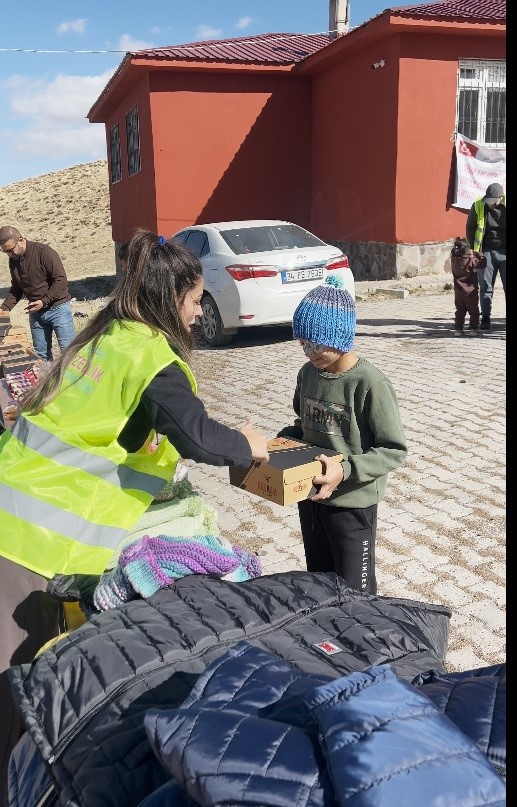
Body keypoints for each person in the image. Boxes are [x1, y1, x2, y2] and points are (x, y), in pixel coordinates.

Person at [0, 229, 269, 803]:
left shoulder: (110, 335)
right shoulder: (150, 355)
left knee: (32, 674)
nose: (199, 314)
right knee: (13, 687)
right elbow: (197, 435)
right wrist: (251, 444)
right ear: (172, 299)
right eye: (196, 300)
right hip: (24, 536)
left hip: (19, 513)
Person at [278, 274, 407, 596]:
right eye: (302, 344)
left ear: (339, 336)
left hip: (352, 502)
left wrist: (346, 469)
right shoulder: (308, 373)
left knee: (356, 589)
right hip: (311, 495)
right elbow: (304, 423)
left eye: (316, 344)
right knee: (319, 579)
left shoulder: (369, 384)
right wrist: (280, 443)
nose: (309, 352)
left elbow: (393, 449)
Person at [0, 225, 76, 360]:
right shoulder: (14, 260)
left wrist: (44, 301)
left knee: (68, 352)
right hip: (36, 313)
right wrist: (4, 309)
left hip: (58, 309)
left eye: (10, 250)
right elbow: (17, 288)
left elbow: (61, 280)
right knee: (41, 356)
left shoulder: (44, 252)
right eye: (5, 252)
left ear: (21, 240)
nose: (9, 255)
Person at [466, 182, 506, 331]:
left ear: (500, 198)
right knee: (485, 287)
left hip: (505, 252)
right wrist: (474, 250)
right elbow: (470, 228)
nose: (489, 204)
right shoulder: (478, 205)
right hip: (486, 252)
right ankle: (486, 318)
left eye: (492, 201)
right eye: (487, 200)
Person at [449, 236, 486, 337]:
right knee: (474, 311)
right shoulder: (471, 260)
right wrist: (477, 253)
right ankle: (474, 329)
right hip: (470, 291)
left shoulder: (454, 260)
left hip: (458, 291)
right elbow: (483, 263)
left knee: (460, 311)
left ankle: (458, 330)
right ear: (466, 249)